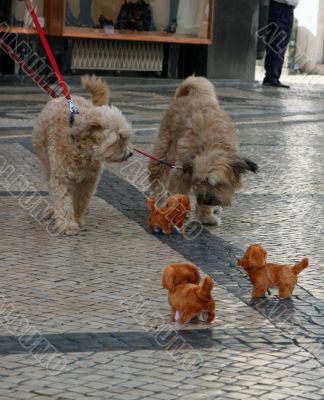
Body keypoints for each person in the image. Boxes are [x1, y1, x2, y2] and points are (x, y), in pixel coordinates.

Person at [263, 0, 299, 88]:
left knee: (283, 44)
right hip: (277, 6)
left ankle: (275, 77)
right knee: (276, 43)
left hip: (289, 9)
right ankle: (271, 77)